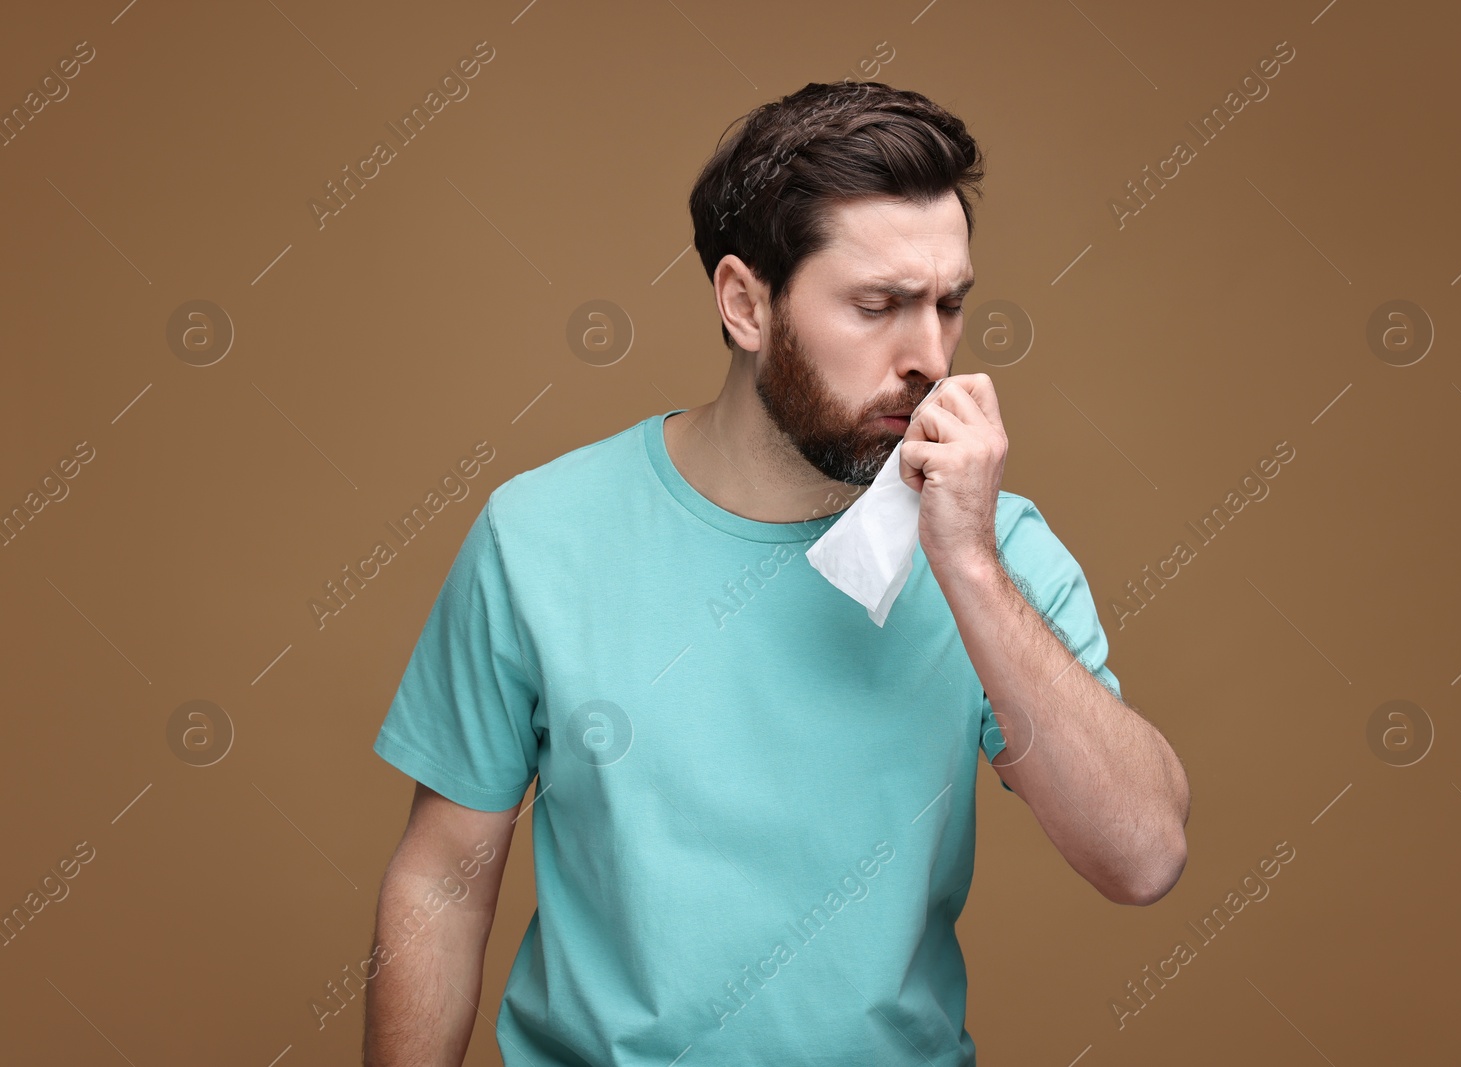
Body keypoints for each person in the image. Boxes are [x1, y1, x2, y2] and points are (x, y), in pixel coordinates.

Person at [363, 80, 1189, 1067]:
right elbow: (443, 873)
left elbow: (1142, 856)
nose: (929, 356)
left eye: (949, 305)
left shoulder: (994, 550)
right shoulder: (539, 536)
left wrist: (965, 560)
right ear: (745, 302)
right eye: (878, 305)